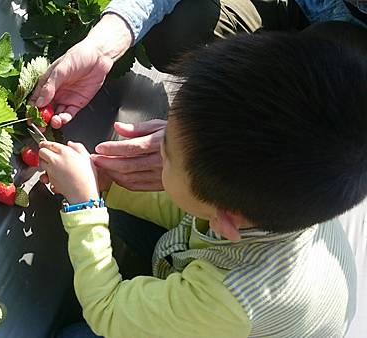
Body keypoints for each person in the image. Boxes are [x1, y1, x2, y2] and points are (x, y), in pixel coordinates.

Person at [38, 32, 366, 337]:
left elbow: (107, 312)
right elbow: (190, 203)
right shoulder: (280, 194)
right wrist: (110, 186)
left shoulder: (229, 299)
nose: (158, 150)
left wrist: (85, 207)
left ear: (223, 220)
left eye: (165, 156)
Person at [30, 0, 367, 192]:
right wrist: (103, 45)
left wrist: (203, 151)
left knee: (335, 51)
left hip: (350, 54)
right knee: (180, 31)